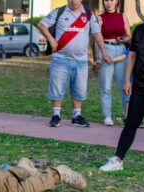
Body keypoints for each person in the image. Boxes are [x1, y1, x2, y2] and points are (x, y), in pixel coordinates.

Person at [99, 0, 144, 174]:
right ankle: (118, 159)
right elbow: (132, 56)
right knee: (131, 123)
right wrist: (127, 80)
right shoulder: (140, 30)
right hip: (140, 87)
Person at [38, 0, 112, 128]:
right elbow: (41, 25)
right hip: (60, 59)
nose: (73, 2)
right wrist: (51, 40)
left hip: (81, 60)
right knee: (57, 87)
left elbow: (97, 34)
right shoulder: (59, 11)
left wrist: (104, 53)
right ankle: (56, 115)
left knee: (79, 88)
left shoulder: (88, 15)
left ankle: (76, 116)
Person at [92, 0, 131, 126]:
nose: (108, 3)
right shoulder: (100, 18)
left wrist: (123, 38)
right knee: (105, 86)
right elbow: (96, 39)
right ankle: (107, 116)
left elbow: (129, 36)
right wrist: (97, 59)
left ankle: (127, 117)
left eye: (111, 0)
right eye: (106, 0)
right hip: (106, 50)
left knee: (124, 85)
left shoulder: (122, 16)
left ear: (117, 2)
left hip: (121, 51)